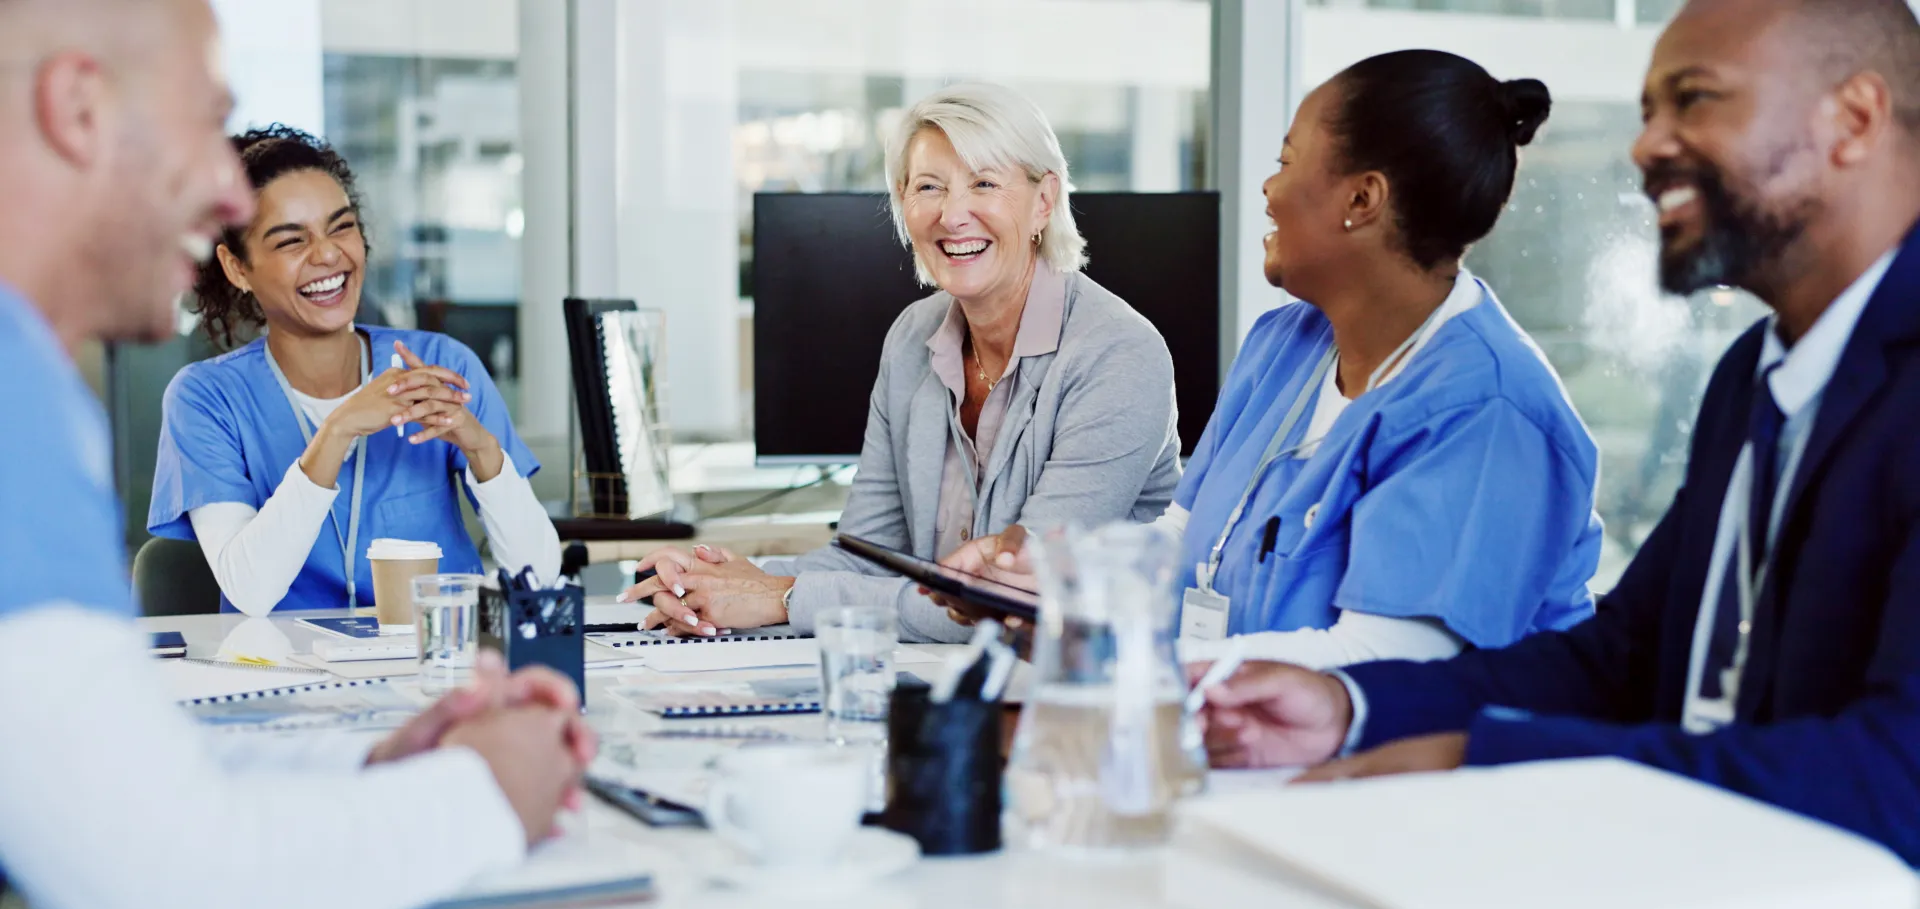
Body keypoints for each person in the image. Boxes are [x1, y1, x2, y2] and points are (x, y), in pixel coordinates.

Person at [0, 1, 589, 909]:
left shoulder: (34, 386)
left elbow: (121, 772)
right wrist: (484, 794)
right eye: (202, 118)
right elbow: (173, 898)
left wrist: (377, 756)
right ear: (79, 109)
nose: (227, 191)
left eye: (337, 222)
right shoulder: (31, 412)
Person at [1196, 0, 1920, 865]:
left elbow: (1899, 777)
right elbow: (1625, 658)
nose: (1646, 145)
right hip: (1719, 882)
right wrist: (1354, 706)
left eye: (1695, 100)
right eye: (1650, 111)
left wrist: (1487, 758)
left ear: (1855, 120)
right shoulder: (1755, 375)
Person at [944, 52, 1603, 673]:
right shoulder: (1284, 344)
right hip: (1250, 745)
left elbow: (1384, 660)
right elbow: (1180, 542)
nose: (1267, 187)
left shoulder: (1484, 409)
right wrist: (1045, 582)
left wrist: (1128, 659)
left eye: (1287, 161)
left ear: (1362, 200)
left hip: (1427, 778)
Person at [614, 82, 1183, 644]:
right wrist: (720, 581)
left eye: (984, 183)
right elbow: (869, 555)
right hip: (955, 682)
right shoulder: (914, 337)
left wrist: (780, 596)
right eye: (928, 187)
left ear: (1044, 200)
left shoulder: (1118, 355)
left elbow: (1014, 602)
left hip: (1089, 697)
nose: (952, 215)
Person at [148, 126, 560, 616]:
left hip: (435, 664)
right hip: (283, 673)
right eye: (290, 241)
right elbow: (250, 591)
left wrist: (481, 448)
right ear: (238, 268)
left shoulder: (439, 367)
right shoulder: (206, 399)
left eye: (340, 227)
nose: (327, 255)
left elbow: (539, 575)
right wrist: (339, 428)